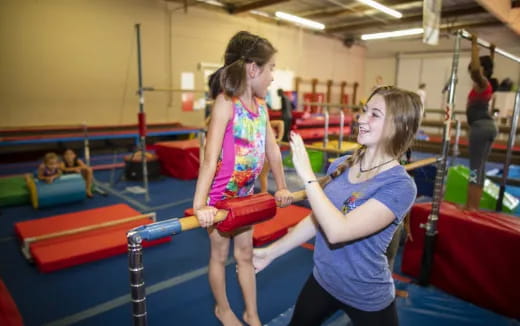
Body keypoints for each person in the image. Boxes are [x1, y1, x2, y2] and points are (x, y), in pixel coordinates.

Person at [254, 86, 422, 326]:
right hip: (324, 281)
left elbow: (338, 231)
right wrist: (270, 252)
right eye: (364, 111)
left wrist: (308, 176)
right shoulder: (342, 164)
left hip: (366, 295)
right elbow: (317, 220)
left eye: (374, 114)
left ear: (398, 126)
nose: (362, 119)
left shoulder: (400, 186)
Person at [193, 31, 292, 326]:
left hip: (246, 196)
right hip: (220, 199)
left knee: (246, 254)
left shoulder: (261, 107)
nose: (273, 76)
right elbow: (209, 159)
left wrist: (283, 187)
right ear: (253, 69)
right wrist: (200, 205)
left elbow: (273, 152)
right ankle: (222, 309)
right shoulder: (226, 102)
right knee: (219, 256)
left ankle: (252, 313)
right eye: (271, 67)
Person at [465, 34, 498, 210]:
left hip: (480, 128)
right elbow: (486, 67)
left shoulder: (482, 82)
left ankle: (471, 207)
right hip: (488, 127)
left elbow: (478, 69)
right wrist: (492, 53)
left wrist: (474, 46)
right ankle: (474, 206)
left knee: (474, 169)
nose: (472, 74)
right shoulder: (488, 84)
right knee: (480, 168)